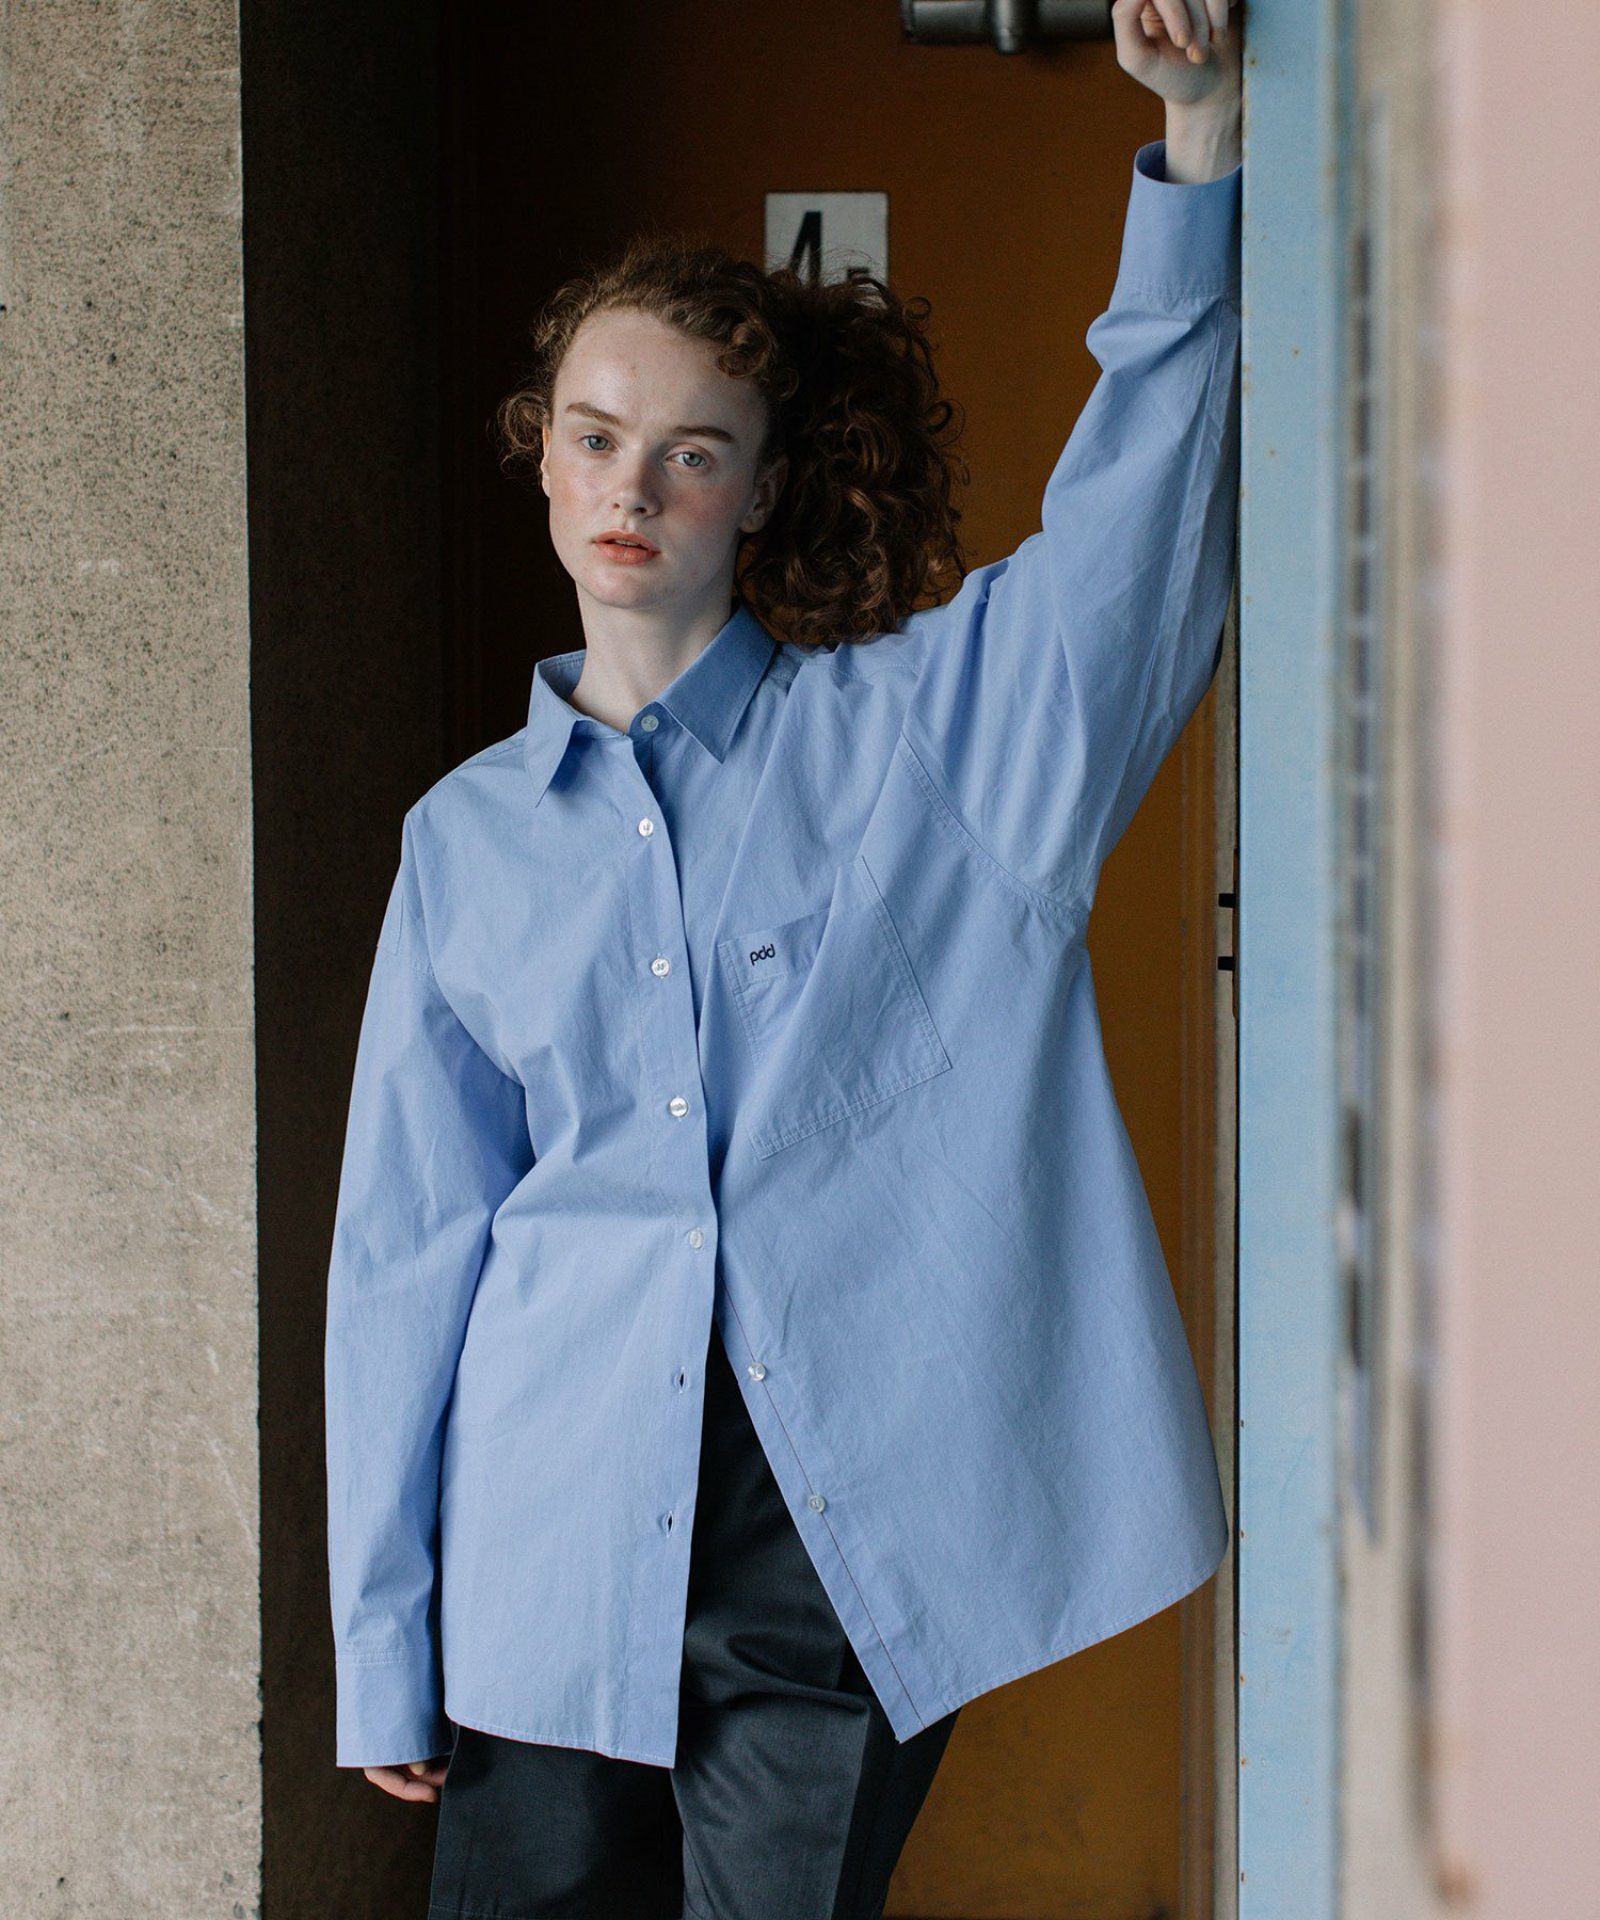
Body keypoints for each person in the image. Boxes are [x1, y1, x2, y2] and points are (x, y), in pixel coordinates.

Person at [323, 1, 1244, 1912]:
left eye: (690, 453)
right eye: (596, 439)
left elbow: (1131, 540)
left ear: (759, 486)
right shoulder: (463, 843)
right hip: (546, 1542)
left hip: (823, 1546)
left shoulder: (928, 743)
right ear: (542, 455)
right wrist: (382, 1634)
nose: (631, 490)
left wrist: (1199, 149)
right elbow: (405, 1258)